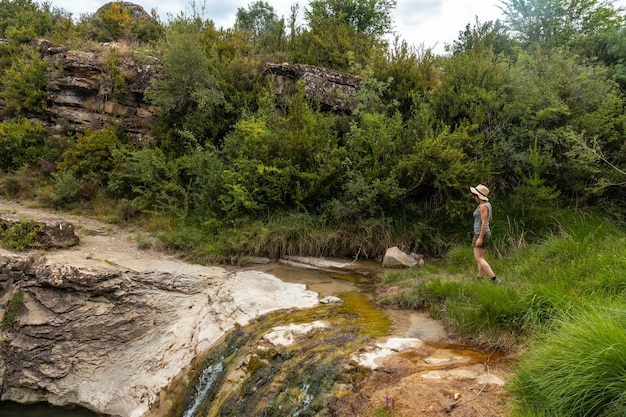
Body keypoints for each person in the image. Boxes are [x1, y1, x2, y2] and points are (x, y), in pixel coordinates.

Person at [470, 184, 501, 284]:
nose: (473, 197)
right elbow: (490, 219)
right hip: (486, 232)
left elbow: (484, 222)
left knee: (478, 258)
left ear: (479, 196)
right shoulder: (488, 205)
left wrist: (480, 238)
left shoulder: (482, 206)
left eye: (474, 195)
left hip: (480, 233)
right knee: (481, 258)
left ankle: (494, 279)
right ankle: (480, 278)